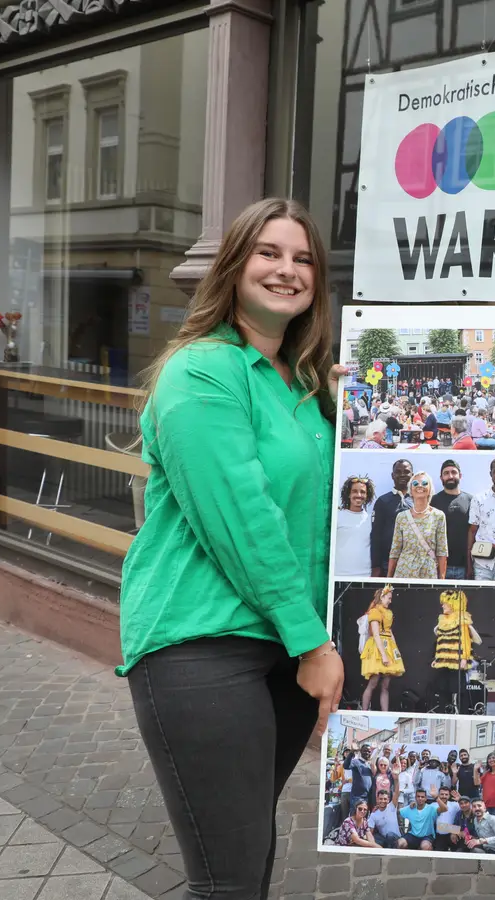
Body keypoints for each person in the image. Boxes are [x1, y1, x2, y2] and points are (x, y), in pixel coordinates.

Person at [118, 198, 346, 900]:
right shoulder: (203, 372)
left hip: (285, 648)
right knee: (228, 880)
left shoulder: (308, 386)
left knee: (245, 855)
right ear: (234, 265)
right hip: (203, 647)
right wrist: (314, 645)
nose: (288, 270)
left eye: (303, 258)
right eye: (269, 253)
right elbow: (242, 520)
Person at [388, 471, 448, 579]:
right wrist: (388, 579)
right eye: (415, 484)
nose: (420, 486)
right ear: (411, 489)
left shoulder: (438, 516)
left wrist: (442, 580)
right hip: (403, 573)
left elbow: (442, 551)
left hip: (428, 573)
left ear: (430, 489)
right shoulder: (401, 517)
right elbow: (395, 551)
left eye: (424, 483)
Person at [431, 590, 480, 713]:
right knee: (442, 688)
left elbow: (466, 641)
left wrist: (464, 658)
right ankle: (445, 711)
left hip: (457, 661)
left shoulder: (461, 619)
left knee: (458, 690)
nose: (442, 605)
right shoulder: (442, 620)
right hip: (443, 662)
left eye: (445, 603)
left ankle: (461, 712)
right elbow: (441, 641)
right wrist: (437, 659)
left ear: (453, 604)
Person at [358, 585, 404, 711]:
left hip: (389, 645)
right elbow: (376, 634)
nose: (390, 601)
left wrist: (395, 651)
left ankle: (385, 712)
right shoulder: (375, 612)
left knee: (385, 685)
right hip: (377, 648)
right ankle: (364, 711)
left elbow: (390, 632)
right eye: (388, 598)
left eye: (390, 598)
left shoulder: (389, 613)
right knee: (373, 683)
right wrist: (383, 654)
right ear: (382, 597)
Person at [430, 460, 474, 579]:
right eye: (446, 473)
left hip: (465, 568)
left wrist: (471, 566)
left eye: (454, 472)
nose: (450, 476)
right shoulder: (433, 501)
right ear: (441, 478)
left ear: (460, 476)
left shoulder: (471, 500)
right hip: (439, 567)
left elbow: (474, 532)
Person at [371, 460, 413, 576]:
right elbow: (376, 535)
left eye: (406, 472)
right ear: (392, 475)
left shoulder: (419, 500)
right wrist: (376, 566)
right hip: (387, 563)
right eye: (398, 472)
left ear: (412, 475)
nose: (402, 475)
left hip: (413, 564)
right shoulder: (383, 501)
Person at [333, 476, 374, 577]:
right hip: (338, 574)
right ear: (348, 494)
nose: (359, 495)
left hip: (365, 576)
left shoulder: (372, 519)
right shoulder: (336, 516)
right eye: (354, 491)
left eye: (363, 492)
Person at [431, 786, 462, 852]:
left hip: (453, 834)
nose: (444, 796)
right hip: (440, 835)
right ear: (438, 795)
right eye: (442, 794)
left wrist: (460, 800)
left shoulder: (454, 804)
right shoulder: (433, 805)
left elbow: (470, 809)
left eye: (446, 794)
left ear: (449, 796)